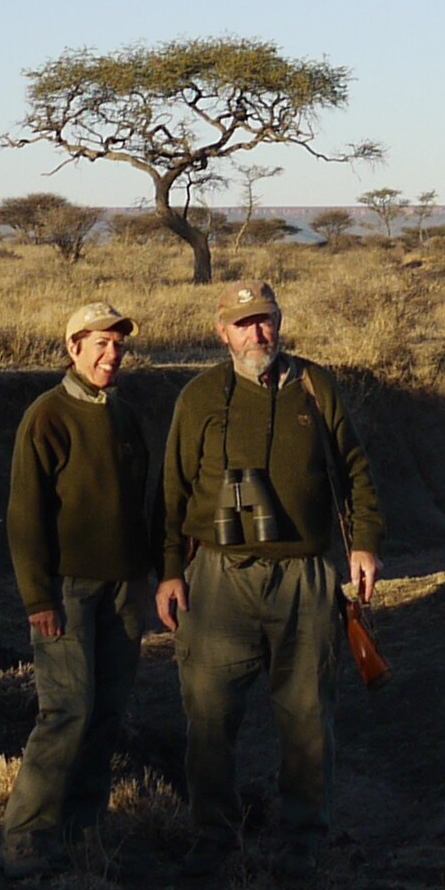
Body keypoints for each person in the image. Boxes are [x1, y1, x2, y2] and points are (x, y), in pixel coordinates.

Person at [156, 278, 382, 857]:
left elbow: (355, 470)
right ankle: (212, 837)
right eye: (244, 323)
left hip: (305, 576)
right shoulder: (200, 396)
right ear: (221, 332)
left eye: (267, 319)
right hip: (220, 574)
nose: (258, 332)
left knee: (307, 715)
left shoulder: (315, 385)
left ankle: (305, 841)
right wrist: (169, 571)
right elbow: (173, 493)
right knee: (209, 712)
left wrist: (364, 544)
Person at [2, 298, 155, 877]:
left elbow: (141, 502)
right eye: (100, 345)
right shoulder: (46, 416)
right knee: (66, 711)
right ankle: (25, 838)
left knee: (107, 714)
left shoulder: (124, 415)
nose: (112, 355)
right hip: (67, 590)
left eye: (119, 345)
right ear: (74, 348)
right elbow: (25, 516)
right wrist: (37, 598)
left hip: (124, 589)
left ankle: (82, 833)